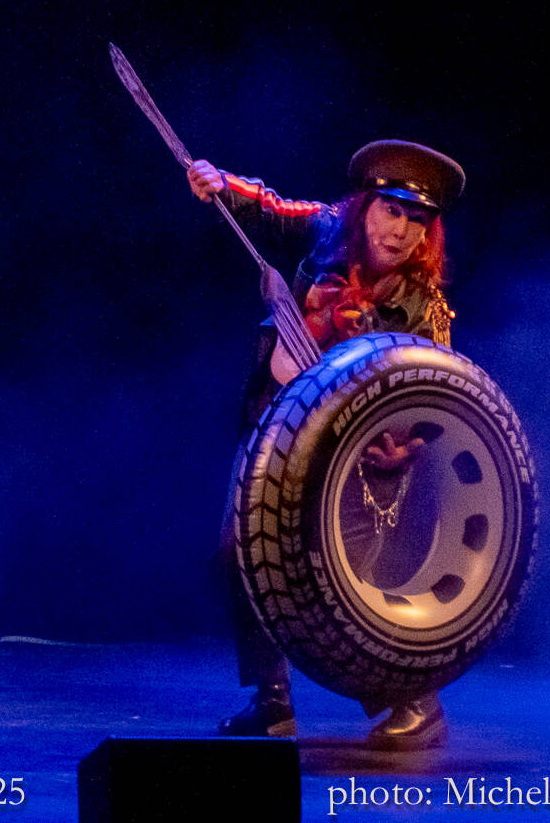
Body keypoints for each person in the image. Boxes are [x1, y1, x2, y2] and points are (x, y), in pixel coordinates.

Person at [188, 139, 465, 751]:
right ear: (365, 205)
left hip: (356, 461)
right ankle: (271, 700)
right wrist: (220, 182)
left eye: (417, 220)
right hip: (277, 430)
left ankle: (416, 703)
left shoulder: (425, 310)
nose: (401, 231)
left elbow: (435, 403)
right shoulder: (328, 232)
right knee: (239, 557)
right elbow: (268, 208)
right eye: (391, 210)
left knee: (349, 586)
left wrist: (401, 451)